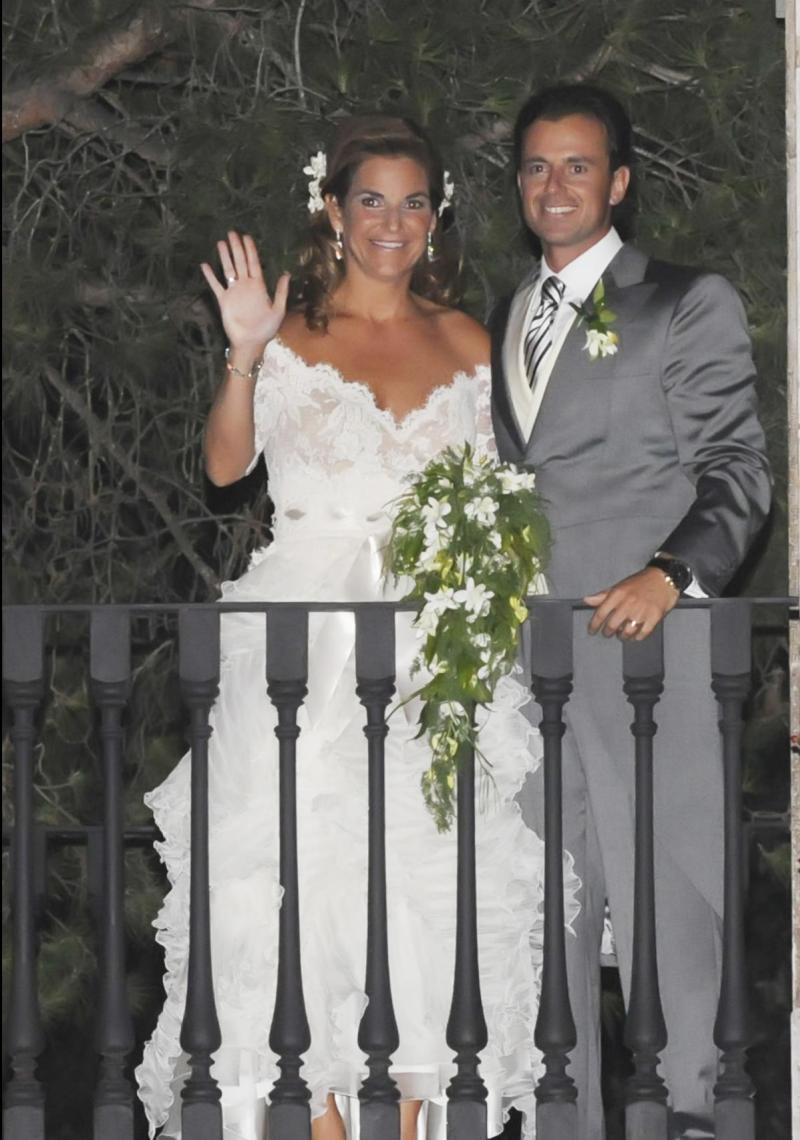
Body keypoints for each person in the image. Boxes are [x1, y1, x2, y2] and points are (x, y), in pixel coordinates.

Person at [135, 115, 579, 1140]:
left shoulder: (469, 338)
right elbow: (222, 469)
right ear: (332, 210)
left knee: (433, 877)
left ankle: (421, 1119)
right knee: (299, 876)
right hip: (304, 644)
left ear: (439, 215)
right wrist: (245, 354)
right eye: (370, 199)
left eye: (415, 201)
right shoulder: (290, 336)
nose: (394, 221)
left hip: (431, 641)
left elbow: (507, 491)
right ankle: (321, 1119)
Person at [490, 84, 773, 1139]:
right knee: (548, 920)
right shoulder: (506, 313)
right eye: (534, 167)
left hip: (646, 651)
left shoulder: (683, 301)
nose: (553, 185)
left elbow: (740, 469)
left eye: (576, 166)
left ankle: (691, 1116)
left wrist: (673, 574)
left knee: (671, 913)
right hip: (531, 668)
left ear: (617, 182)